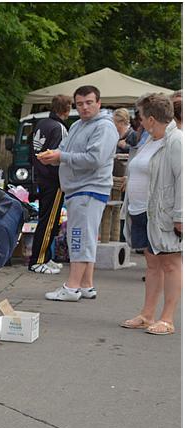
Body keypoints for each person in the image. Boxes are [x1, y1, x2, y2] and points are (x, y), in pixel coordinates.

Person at [37, 85, 119, 302]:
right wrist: (53, 155)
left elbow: (95, 160)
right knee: (86, 237)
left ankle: (71, 288)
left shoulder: (104, 128)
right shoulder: (77, 126)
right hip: (77, 188)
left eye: (89, 102)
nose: (84, 107)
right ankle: (86, 285)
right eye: (80, 104)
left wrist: (62, 157)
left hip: (89, 189)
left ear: (99, 103)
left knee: (78, 238)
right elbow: (64, 149)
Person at [120, 93, 182, 335]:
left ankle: (167, 318)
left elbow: (182, 180)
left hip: (163, 214)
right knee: (153, 264)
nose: (140, 121)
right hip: (142, 211)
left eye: (142, 117)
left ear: (152, 119)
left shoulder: (176, 140)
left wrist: (180, 216)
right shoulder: (150, 139)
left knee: (171, 264)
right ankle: (147, 314)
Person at [27, 94, 73, 274]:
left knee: (49, 219)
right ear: (66, 109)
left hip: (41, 177)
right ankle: (38, 260)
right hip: (53, 180)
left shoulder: (42, 124)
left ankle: (46, 257)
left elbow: (34, 152)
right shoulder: (59, 128)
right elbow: (57, 154)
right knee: (49, 220)